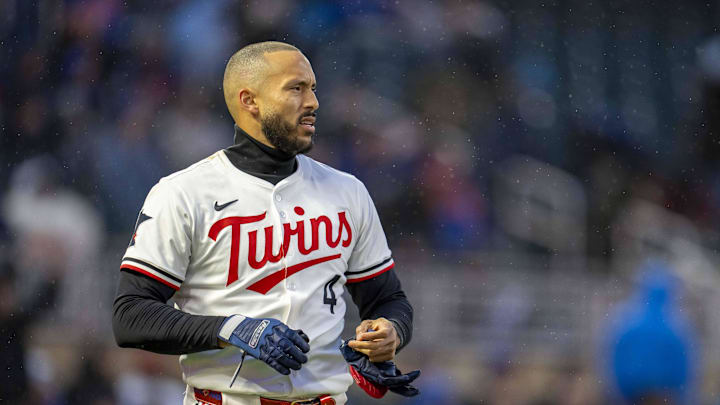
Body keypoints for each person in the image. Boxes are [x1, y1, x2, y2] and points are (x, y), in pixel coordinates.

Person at [112, 41, 414, 405]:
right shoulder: (182, 193)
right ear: (249, 100)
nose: (313, 102)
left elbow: (388, 300)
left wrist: (388, 334)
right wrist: (231, 328)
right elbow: (131, 315)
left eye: (313, 89)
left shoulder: (348, 191)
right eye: (296, 88)